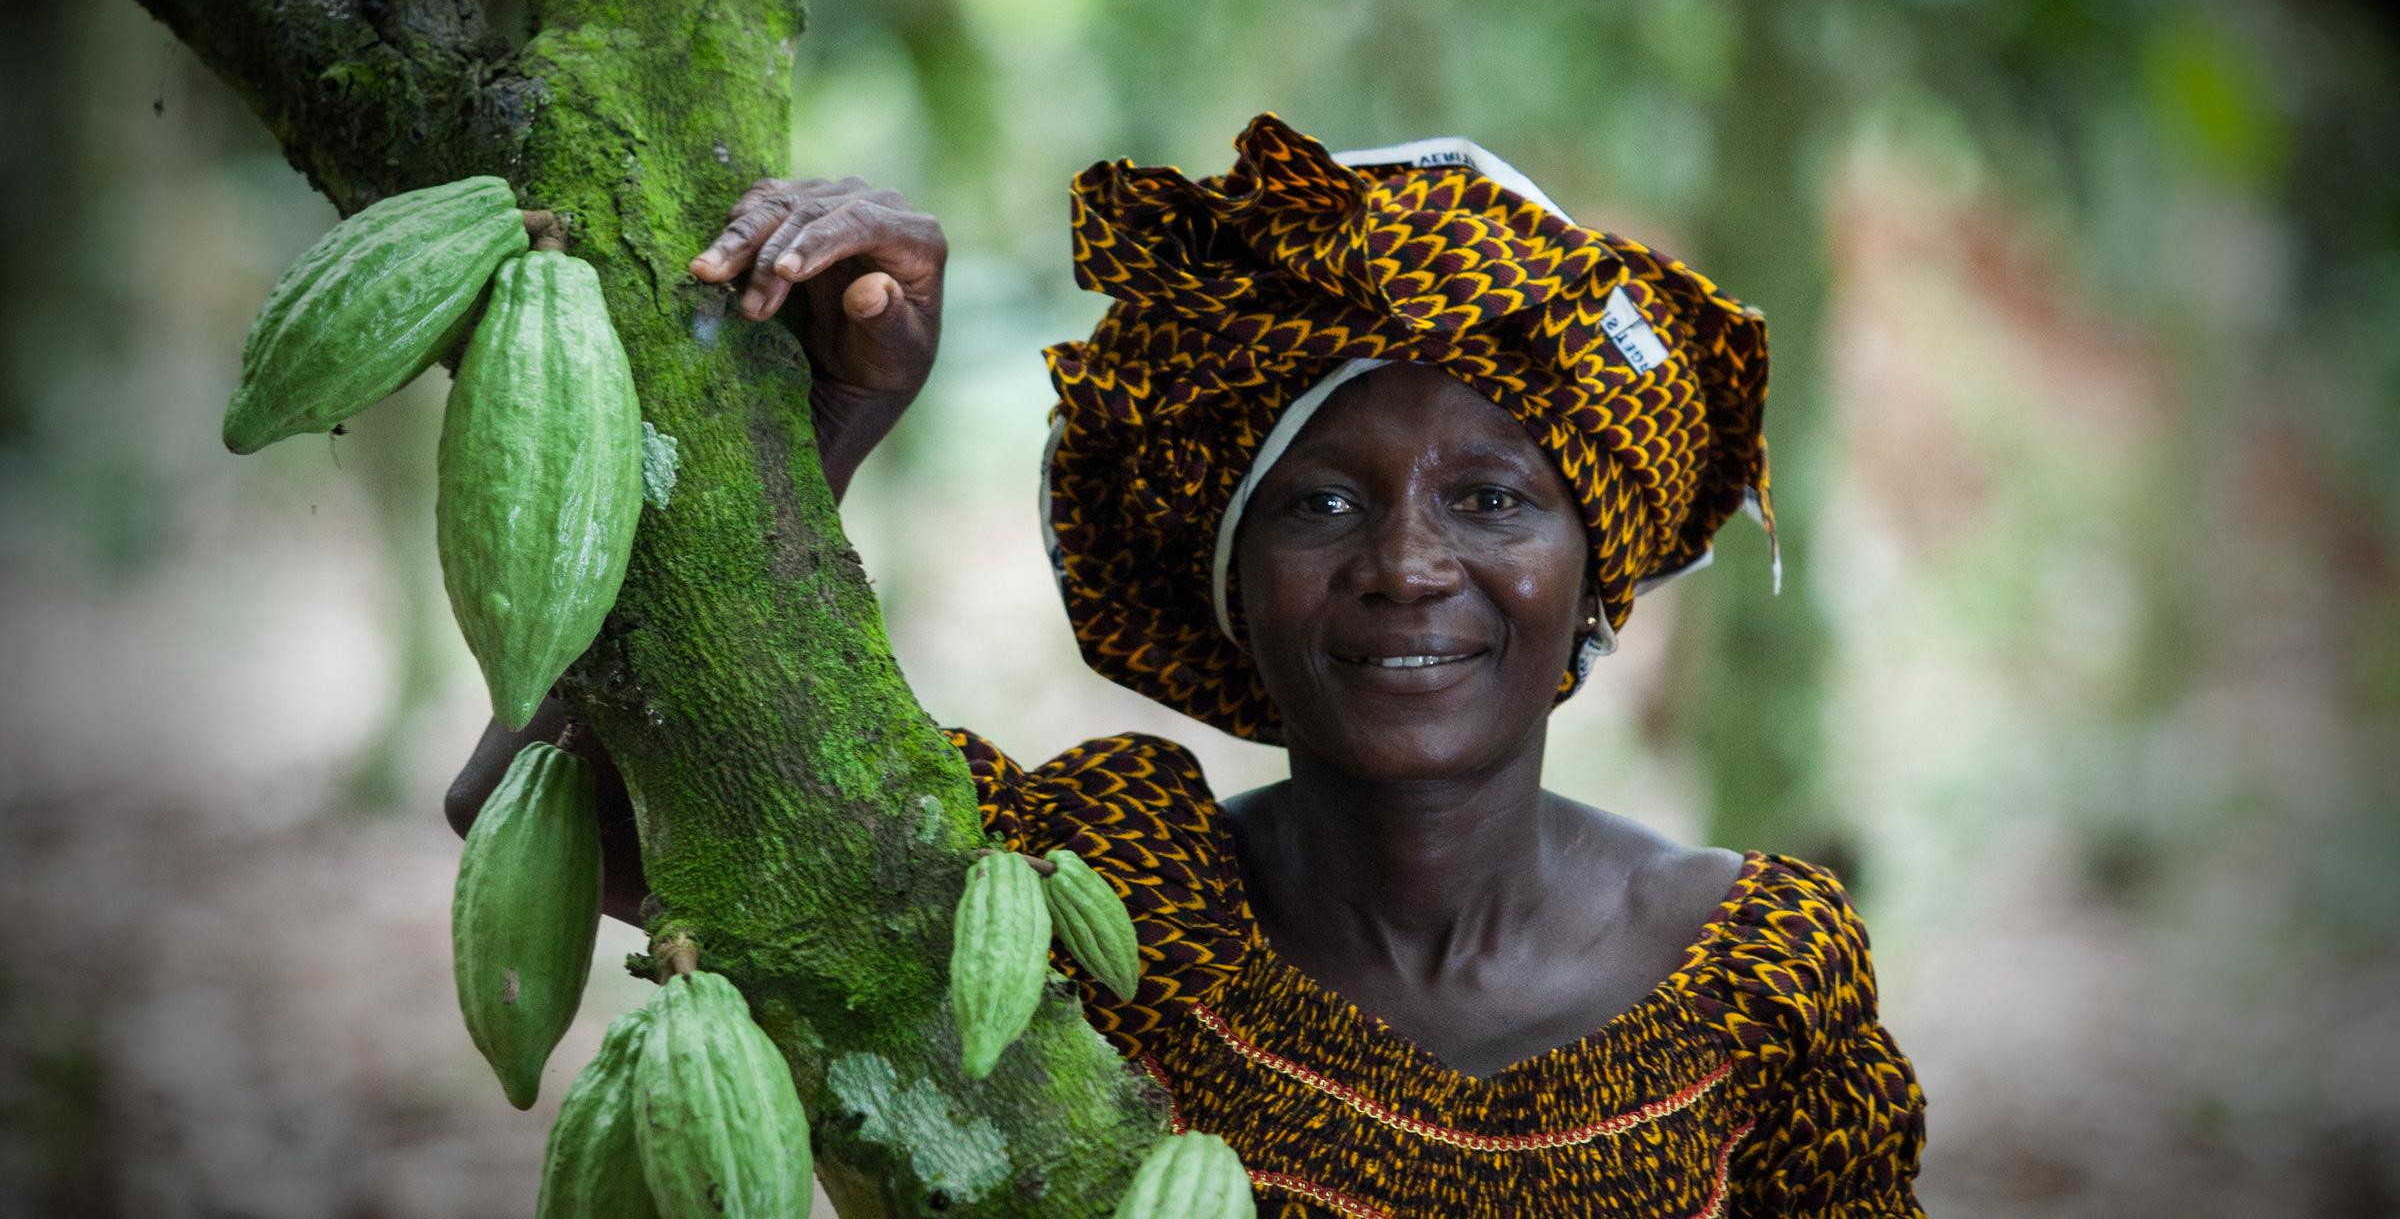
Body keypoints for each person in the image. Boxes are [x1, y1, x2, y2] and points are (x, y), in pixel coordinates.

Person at [451, 114, 1925, 1217]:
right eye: (1323, 504)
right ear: (1233, 588)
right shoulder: (1104, 899)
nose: (1409, 565)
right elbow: (541, 815)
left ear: (1588, 573)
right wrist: (827, 425)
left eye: (1491, 498)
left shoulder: (1758, 972)